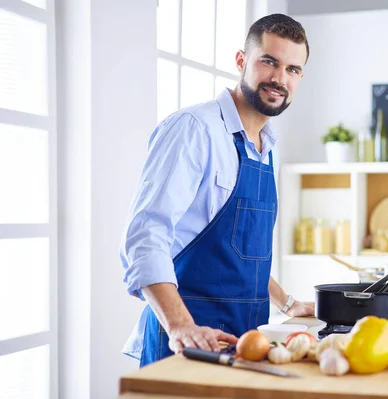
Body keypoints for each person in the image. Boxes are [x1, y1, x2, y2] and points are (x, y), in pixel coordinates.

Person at [120, 13, 314, 368]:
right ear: (242, 60)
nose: (279, 78)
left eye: (292, 69)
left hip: (245, 341)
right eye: (269, 62)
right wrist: (180, 326)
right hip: (186, 342)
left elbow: (239, 255)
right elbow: (145, 237)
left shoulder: (266, 146)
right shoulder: (195, 129)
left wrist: (286, 303)